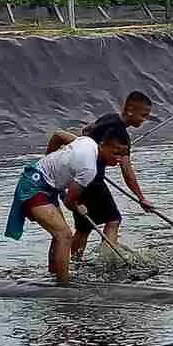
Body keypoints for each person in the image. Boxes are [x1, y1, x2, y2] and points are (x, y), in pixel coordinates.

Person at [5, 130, 130, 285]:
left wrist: (49, 158)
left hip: (48, 186)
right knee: (64, 235)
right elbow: (69, 202)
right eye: (115, 152)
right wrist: (79, 208)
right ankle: (63, 285)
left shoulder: (87, 141)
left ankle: (53, 274)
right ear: (103, 145)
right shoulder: (89, 169)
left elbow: (58, 135)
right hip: (34, 186)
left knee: (59, 235)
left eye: (123, 155)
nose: (118, 159)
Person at [45, 91, 155, 260]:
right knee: (113, 219)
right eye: (143, 115)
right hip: (92, 181)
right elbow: (127, 171)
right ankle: (108, 259)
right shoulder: (121, 135)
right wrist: (141, 198)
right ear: (130, 110)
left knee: (84, 227)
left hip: (77, 180)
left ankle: (74, 262)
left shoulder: (107, 118)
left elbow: (86, 130)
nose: (144, 119)